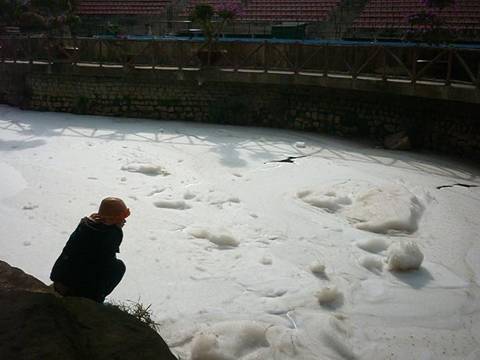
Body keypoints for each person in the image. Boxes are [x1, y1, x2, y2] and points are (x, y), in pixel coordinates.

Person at [50, 197, 130, 303]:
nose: (124, 221)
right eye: (121, 219)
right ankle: (94, 300)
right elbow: (105, 264)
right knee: (118, 267)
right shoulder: (111, 234)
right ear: (112, 219)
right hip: (74, 289)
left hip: (60, 279)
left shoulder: (86, 224)